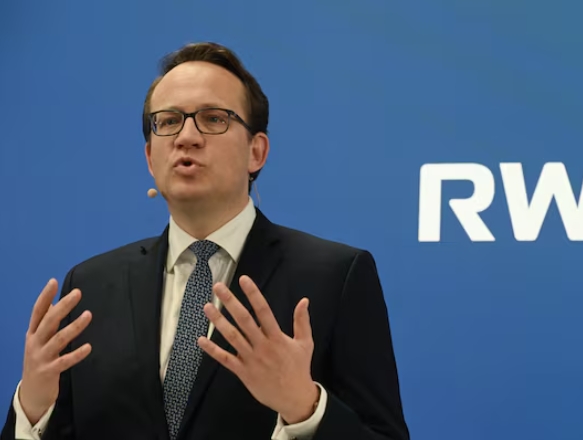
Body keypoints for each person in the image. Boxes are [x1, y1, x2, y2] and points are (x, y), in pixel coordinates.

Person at [1, 42, 410, 440]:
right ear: (150, 158)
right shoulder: (90, 286)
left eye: (213, 119)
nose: (187, 137)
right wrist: (33, 411)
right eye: (168, 121)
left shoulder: (334, 277)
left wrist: (305, 408)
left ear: (256, 152)